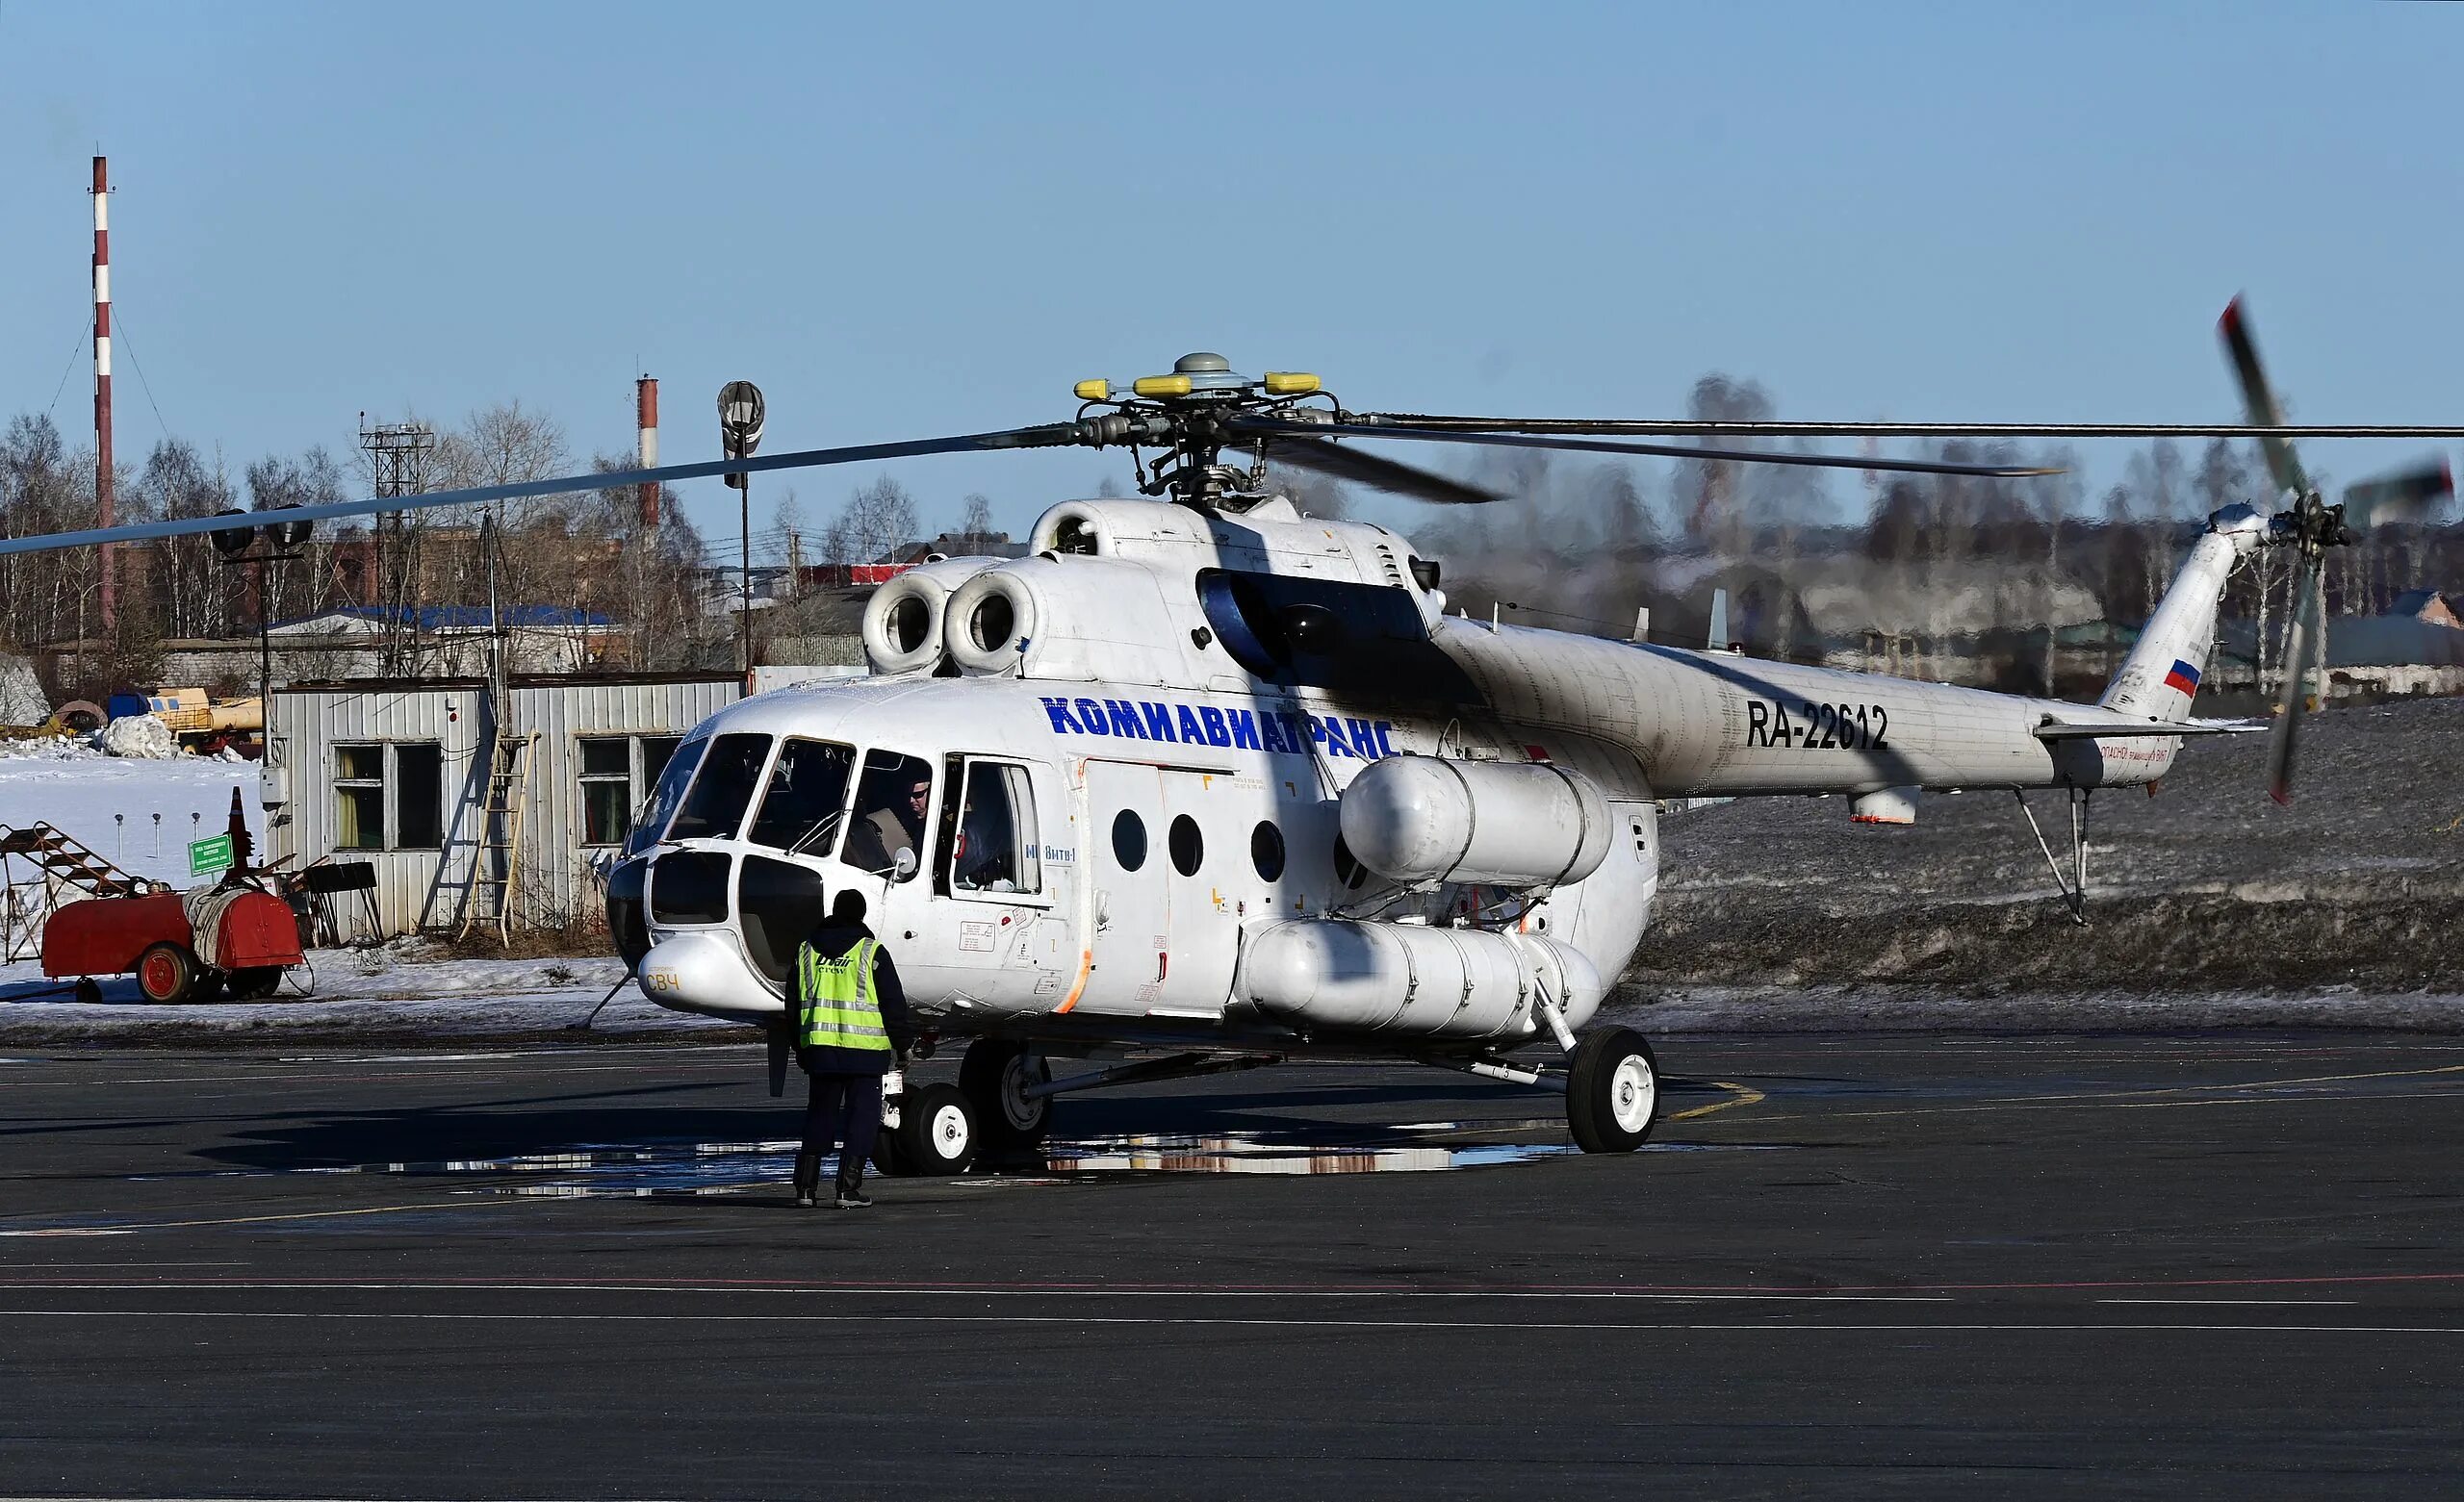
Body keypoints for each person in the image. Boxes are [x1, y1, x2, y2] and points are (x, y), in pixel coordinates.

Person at [790, 889, 914, 1209]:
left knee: (819, 1116)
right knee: (862, 1118)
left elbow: (792, 1008)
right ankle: (847, 1190)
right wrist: (904, 1047)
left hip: (820, 1051)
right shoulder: (872, 953)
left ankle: (805, 1189)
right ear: (861, 915)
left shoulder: (805, 951)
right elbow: (892, 1005)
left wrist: (801, 1048)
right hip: (865, 1054)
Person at [845, 774, 929, 878]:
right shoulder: (903, 820)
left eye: (917, 795)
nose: (911, 800)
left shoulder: (936, 828)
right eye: (909, 795)